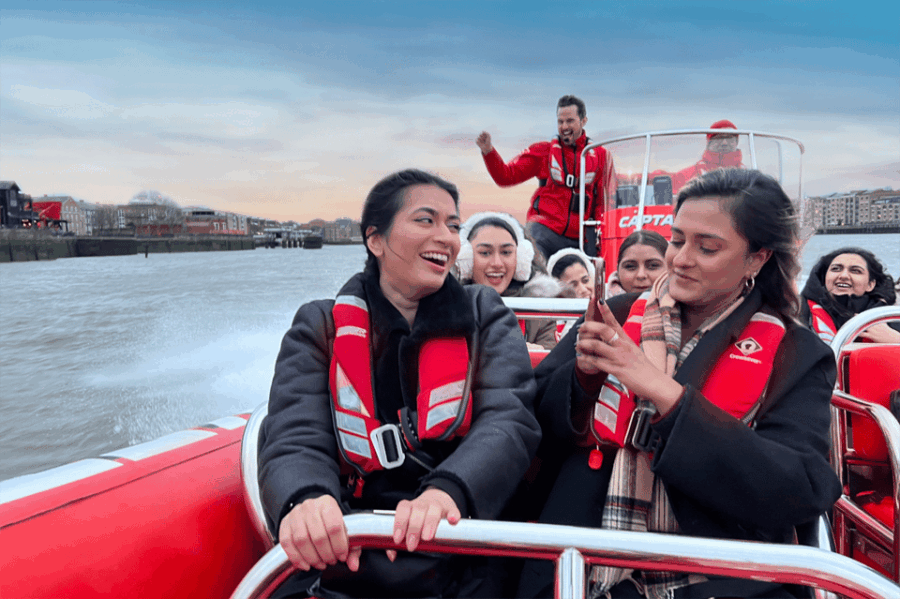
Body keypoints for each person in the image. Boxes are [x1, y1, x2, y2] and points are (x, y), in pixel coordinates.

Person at [520, 168, 841, 598]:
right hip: (580, 561)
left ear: (757, 258)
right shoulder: (617, 313)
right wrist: (583, 378)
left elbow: (799, 489)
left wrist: (663, 392)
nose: (681, 259)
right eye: (676, 240)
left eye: (707, 247)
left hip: (719, 579)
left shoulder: (795, 351)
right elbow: (530, 427)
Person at [258, 169, 541, 598]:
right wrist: (308, 498)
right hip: (352, 535)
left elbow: (509, 419)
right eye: (426, 220)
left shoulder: (485, 314)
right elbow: (294, 433)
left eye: (453, 226)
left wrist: (448, 492)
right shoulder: (320, 325)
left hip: (461, 533)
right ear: (375, 239)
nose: (446, 237)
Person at [476, 95, 616, 260]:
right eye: (560, 122)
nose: (564, 127)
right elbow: (506, 176)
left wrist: (601, 238)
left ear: (583, 121)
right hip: (544, 232)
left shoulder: (601, 156)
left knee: (594, 269)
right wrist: (488, 152)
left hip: (581, 239)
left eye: (570, 121)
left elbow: (607, 203)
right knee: (531, 259)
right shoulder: (543, 152)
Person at [455, 211, 559, 350]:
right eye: (485, 253)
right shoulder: (448, 307)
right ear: (465, 258)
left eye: (506, 252)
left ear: (521, 257)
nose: (497, 263)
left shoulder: (540, 311)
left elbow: (551, 360)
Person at [800, 247, 900, 344]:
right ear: (824, 279)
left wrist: (896, 339)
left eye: (855, 271)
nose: (843, 276)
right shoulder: (798, 311)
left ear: (870, 285)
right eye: (835, 269)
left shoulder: (889, 316)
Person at [655, 119, 745, 196]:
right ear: (709, 143)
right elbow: (670, 188)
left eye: (729, 138)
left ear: (736, 142)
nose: (724, 142)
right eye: (719, 138)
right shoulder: (689, 175)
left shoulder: (746, 175)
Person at [606, 229, 668, 297]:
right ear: (618, 270)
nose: (641, 275)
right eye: (630, 266)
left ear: (670, 268)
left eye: (653, 265)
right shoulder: (600, 299)